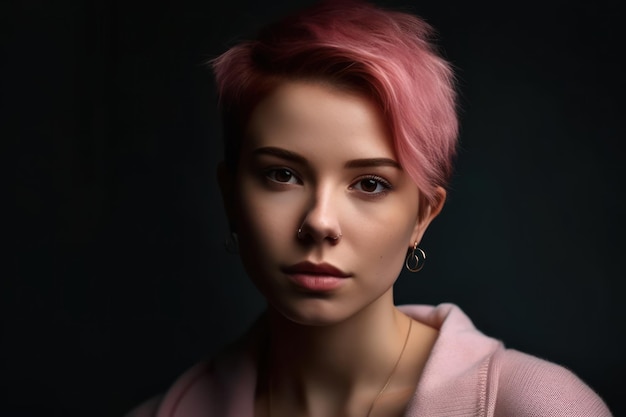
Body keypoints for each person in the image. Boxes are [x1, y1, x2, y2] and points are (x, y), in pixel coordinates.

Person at [126, 1, 612, 416]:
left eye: (370, 183)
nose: (319, 221)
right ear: (230, 194)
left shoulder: (535, 406)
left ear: (423, 215)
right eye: (282, 174)